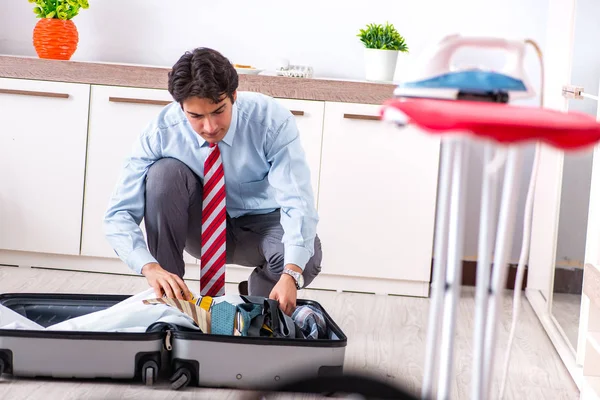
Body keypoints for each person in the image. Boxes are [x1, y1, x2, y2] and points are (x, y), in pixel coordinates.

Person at [103, 47, 322, 316]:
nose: (209, 127)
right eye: (195, 116)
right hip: (199, 225)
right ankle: (171, 299)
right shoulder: (160, 132)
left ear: (234, 96)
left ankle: (255, 300)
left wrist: (290, 274)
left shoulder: (270, 121)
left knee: (306, 258)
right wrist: (150, 267)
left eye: (218, 111)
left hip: (262, 226)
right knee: (163, 174)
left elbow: (297, 201)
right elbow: (119, 213)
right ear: (180, 107)